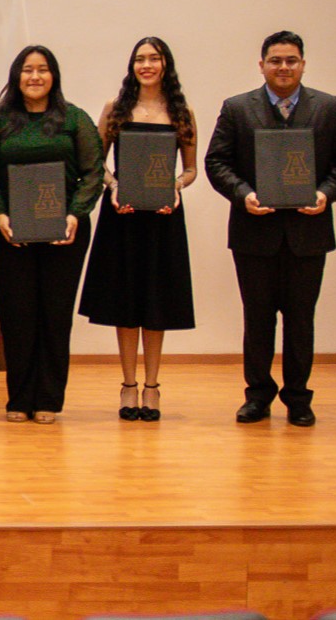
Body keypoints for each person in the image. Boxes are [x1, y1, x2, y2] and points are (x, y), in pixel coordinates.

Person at [204, 30, 336, 427]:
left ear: (303, 64)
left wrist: (326, 194)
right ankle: (257, 396)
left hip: (308, 235)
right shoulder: (237, 108)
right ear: (262, 65)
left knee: (300, 319)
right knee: (257, 319)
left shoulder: (328, 108)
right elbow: (216, 162)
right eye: (275, 60)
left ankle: (298, 398)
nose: (284, 67)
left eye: (291, 60)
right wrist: (243, 195)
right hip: (254, 232)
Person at [78, 36, 198, 423]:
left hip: (164, 215)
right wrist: (113, 187)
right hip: (123, 214)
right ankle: (128, 384)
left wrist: (176, 187)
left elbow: (192, 169)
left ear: (166, 65)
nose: (146, 65)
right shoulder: (116, 109)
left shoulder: (182, 112)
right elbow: (98, 164)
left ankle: (152, 386)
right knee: (126, 304)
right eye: (140, 59)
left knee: (156, 304)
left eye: (154, 58)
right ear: (132, 66)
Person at [0, 45, 104, 424]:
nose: (34, 77)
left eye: (42, 69)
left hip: (64, 234)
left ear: (54, 76)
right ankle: (19, 398)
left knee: (54, 315)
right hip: (10, 233)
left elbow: (93, 172)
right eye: (27, 70)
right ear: (16, 76)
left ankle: (49, 399)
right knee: (17, 314)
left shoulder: (75, 119)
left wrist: (74, 214)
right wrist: (0, 213)